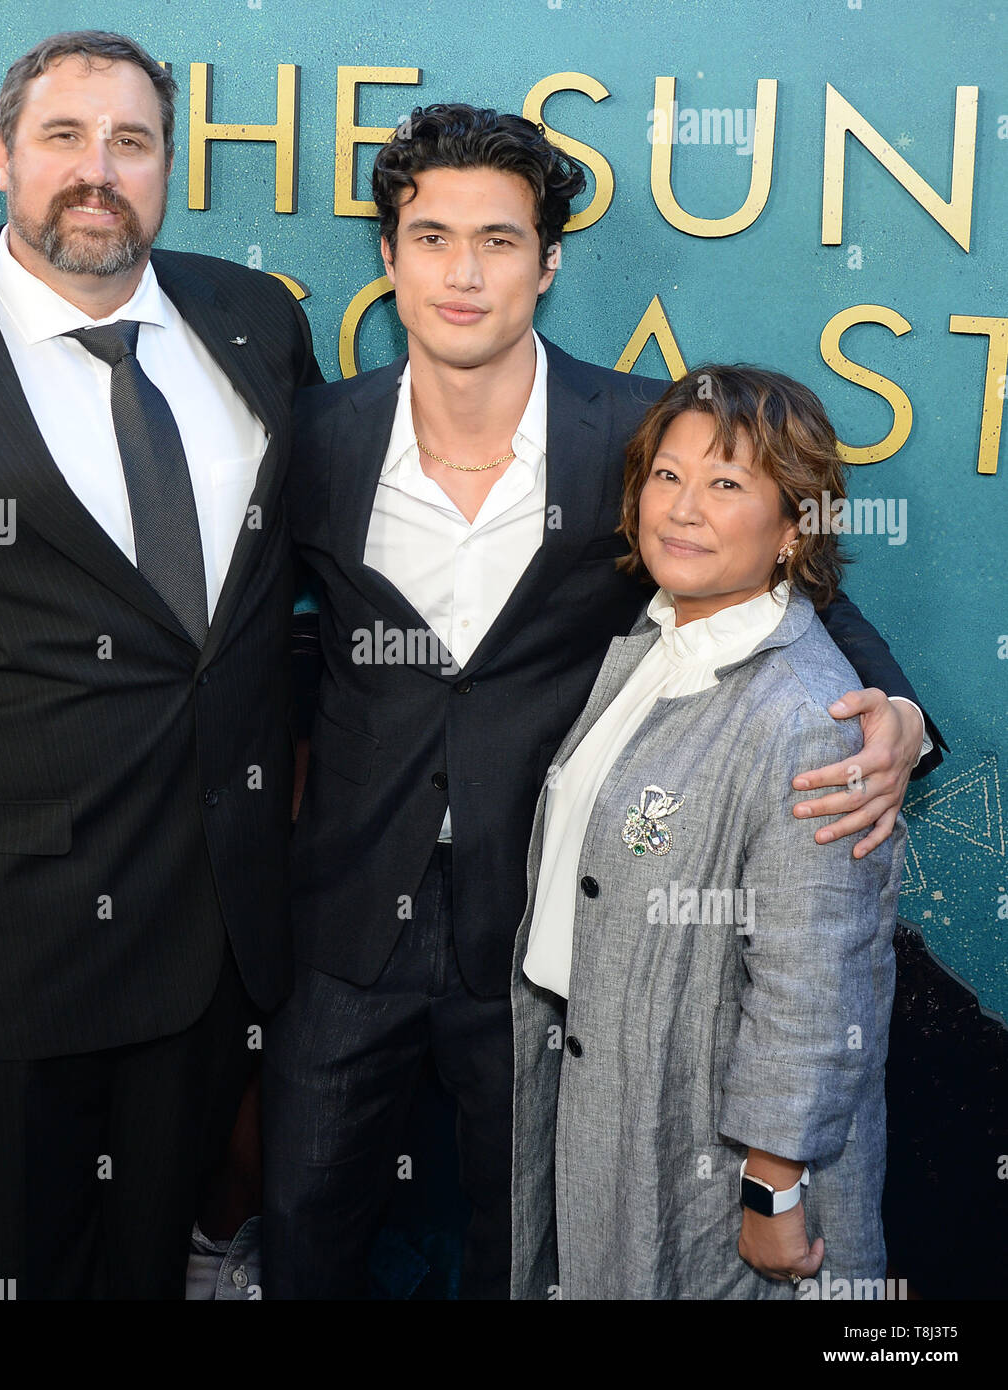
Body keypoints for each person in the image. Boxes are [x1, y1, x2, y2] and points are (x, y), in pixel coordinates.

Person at [263, 104, 942, 1299]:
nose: (462, 272)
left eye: (498, 240)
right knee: (305, 1228)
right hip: (345, 917)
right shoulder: (317, 435)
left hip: (539, 926)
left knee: (529, 1244)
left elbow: (797, 589)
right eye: (429, 237)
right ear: (388, 256)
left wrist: (896, 710)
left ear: (547, 261)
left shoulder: (638, 437)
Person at [0, 30, 319, 1298]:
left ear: (168, 170)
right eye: (64, 138)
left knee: (148, 1271)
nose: (98, 171)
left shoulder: (254, 322)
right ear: (1, 158)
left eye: (131, 142)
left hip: (217, 945)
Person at [512, 365, 906, 1299]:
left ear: (790, 529)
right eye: (666, 475)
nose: (681, 509)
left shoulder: (806, 715)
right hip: (608, 1090)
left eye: (726, 484)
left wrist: (770, 1189)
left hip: (707, 1144)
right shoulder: (653, 643)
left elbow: (814, 984)